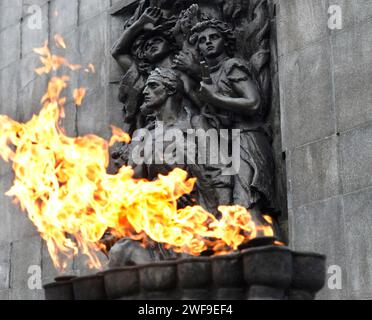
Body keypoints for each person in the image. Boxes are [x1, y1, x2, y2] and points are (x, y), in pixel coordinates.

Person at [180, 19, 276, 220]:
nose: (208, 42)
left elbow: (253, 103)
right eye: (202, 40)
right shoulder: (209, 75)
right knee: (234, 216)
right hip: (227, 144)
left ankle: (268, 249)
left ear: (225, 41)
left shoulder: (233, 66)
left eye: (214, 37)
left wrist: (214, 97)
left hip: (246, 140)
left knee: (248, 207)